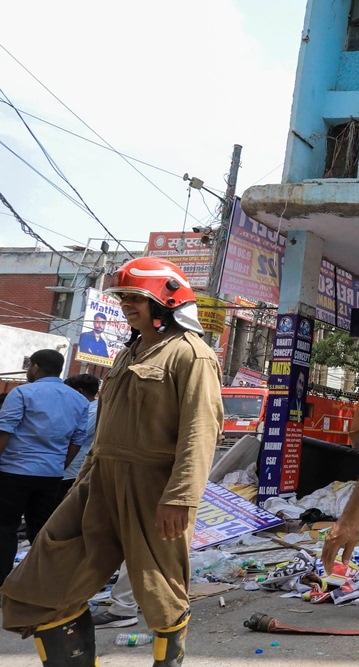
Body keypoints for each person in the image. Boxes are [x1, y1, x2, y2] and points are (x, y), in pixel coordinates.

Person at [0, 257, 223, 667]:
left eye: (136, 297)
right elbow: (104, 427)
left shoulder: (192, 354)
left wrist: (180, 496)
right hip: (98, 480)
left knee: (161, 590)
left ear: (165, 301)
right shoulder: (129, 352)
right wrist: (84, 478)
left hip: (154, 488)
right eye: (123, 297)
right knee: (46, 572)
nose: (126, 305)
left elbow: (200, 431)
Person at [0, 349, 90, 586]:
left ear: (36, 367)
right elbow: (76, 442)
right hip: (50, 475)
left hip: (14, 471)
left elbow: (4, 432)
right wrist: (59, 466)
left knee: (5, 527)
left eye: (30, 366)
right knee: (41, 529)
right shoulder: (79, 400)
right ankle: (44, 582)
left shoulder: (22, 393)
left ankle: (3, 581)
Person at [59, 374, 100, 503]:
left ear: (79, 392)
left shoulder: (93, 412)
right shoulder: (88, 408)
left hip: (73, 468)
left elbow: (71, 435)